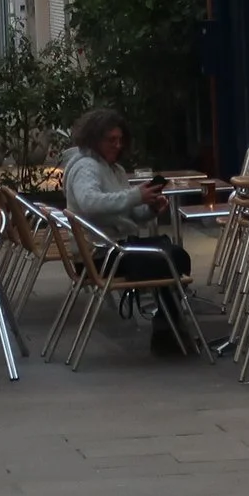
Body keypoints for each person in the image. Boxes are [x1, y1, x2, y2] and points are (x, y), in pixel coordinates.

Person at [61, 107, 187, 354]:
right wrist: (135, 196)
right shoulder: (86, 167)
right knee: (171, 257)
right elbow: (89, 203)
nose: (117, 145)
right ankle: (168, 331)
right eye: (111, 140)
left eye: (120, 140)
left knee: (170, 254)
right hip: (99, 255)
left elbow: (128, 213)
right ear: (94, 139)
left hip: (114, 248)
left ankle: (168, 330)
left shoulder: (114, 170)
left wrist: (150, 208)